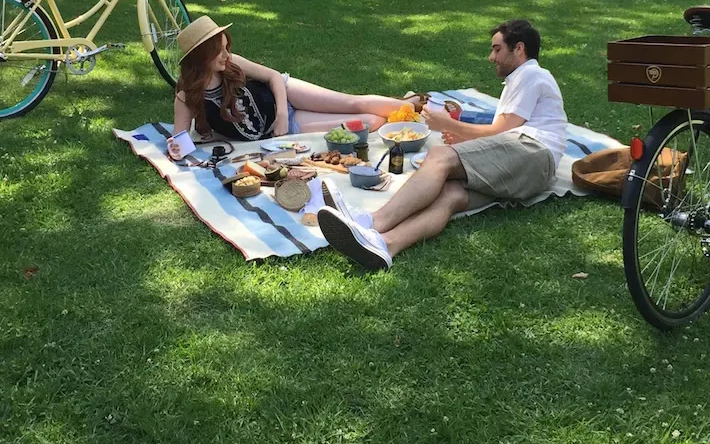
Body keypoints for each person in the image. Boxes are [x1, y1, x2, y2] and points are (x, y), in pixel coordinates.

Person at [317, 19, 567, 270]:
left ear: (519, 48)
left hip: (533, 152)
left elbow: (503, 130)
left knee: (439, 156)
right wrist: (466, 138)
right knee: (452, 195)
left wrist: (446, 124)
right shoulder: (523, 79)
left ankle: (369, 223)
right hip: (535, 172)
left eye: (497, 49)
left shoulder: (530, 74)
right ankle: (384, 244)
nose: (492, 57)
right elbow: (502, 134)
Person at [169, 16, 414, 154]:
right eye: (218, 51)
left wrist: (282, 115)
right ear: (201, 57)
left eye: (226, 47)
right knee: (367, 123)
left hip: (285, 98)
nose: (226, 55)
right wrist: (179, 148)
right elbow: (179, 141)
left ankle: (414, 108)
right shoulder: (187, 96)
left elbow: (274, 76)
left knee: (352, 102)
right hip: (280, 130)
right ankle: (403, 112)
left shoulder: (233, 63)